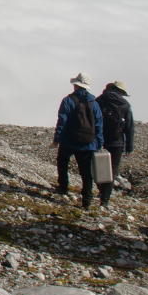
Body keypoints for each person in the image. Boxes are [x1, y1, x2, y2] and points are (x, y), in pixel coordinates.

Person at [52, 72, 103, 209]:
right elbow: (98, 124)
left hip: (68, 141)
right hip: (88, 144)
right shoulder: (94, 103)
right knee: (86, 173)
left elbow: (62, 121)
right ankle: (87, 200)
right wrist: (98, 143)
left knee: (62, 164)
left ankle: (63, 187)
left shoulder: (68, 100)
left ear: (75, 85)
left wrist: (57, 138)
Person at [95, 80, 135, 208]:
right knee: (112, 170)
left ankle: (100, 190)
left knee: (98, 167)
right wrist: (129, 145)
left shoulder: (99, 100)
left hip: (99, 140)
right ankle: (105, 200)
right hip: (117, 142)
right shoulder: (125, 105)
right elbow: (129, 127)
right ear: (121, 92)